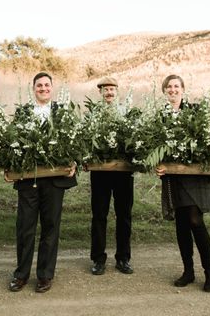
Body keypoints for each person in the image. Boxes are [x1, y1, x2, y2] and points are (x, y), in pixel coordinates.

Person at [155, 74, 210, 292]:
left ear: (183, 89)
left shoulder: (196, 111)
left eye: (176, 86)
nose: (173, 90)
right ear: (164, 91)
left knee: (196, 220)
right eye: (169, 87)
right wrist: (156, 165)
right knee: (181, 225)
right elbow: (155, 147)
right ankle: (188, 271)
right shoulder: (161, 117)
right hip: (175, 177)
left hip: (196, 176)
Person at [8, 72, 77, 293]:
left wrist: (73, 161)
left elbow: (73, 141)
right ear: (33, 88)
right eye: (39, 85)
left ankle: (45, 275)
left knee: (50, 227)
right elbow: (13, 141)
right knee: (25, 227)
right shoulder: (23, 112)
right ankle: (21, 275)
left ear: (52, 88)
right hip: (29, 180)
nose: (43, 88)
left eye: (47, 85)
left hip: (55, 180)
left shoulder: (63, 112)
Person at [87, 76, 134, 276]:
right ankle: (98, 259)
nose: (109, 93)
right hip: (100, 173)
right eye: (105, 89)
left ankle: (123, 258)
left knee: (124, 216)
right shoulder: (93, 114)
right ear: (100, 93)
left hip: (123, 172)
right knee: (99, 215)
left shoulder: (127, 113)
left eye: (112, 89)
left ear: (117, 91)